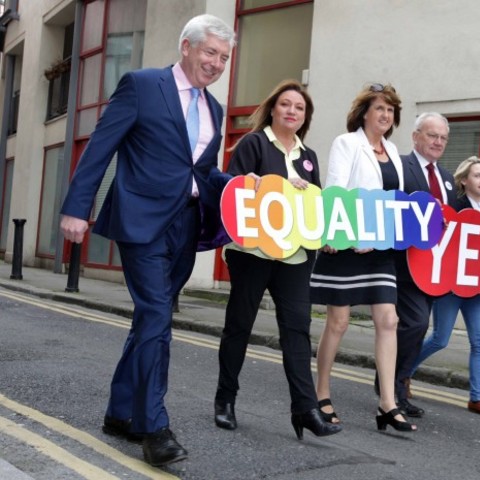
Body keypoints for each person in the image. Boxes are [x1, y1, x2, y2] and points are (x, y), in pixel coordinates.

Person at [59, 14, 235, 466]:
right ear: (186, 47)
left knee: (148, 322)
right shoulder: (142, 85)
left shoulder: (214, 109)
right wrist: (77, 207)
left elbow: (204, 172)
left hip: (185, 225)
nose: (216, 63)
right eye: (210, 52)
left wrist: (248, 187)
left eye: (223, 56)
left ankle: (120, 413)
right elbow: (101, 146)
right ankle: (154, 427)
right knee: (157, 315)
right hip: (141, 220)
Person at [213, 80, 341, 441]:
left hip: (296, 256)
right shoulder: (254, 143)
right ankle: (225, 400)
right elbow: (233, 186)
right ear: (272, 109)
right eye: (285, 104)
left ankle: (305, 409)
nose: (291, 111)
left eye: (299, 108)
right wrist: (250, 181)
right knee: (239, 325)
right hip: (253, 253)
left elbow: (314, 206)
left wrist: (323, 234)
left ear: (305, 117)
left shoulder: (309, 156)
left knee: (298, 329)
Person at [310, 83, 416, 432]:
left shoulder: (393, 150)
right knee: (338, 323)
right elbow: (337, 189)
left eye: (390, 110)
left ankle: (387, 402)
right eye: (380, 109)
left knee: (388, 320)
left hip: (380, 249)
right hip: (346, 246)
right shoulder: (347, 143)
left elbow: (394, 199)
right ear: (365, 113)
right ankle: (321, 393)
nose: (386, 115)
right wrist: (342, 234)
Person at [409, 156, 480, 418]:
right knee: (440, 339)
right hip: (451, 287)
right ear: (463, 180)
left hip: (476, 288)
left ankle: (477, 398)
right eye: (476, 175)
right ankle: (403, 374)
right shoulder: (454, 207)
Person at [391, 112, 458, 418]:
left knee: (418, 328)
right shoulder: (399, 167)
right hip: (403, 264)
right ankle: (395, 386)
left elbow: (456, 222)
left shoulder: (446, 178)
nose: (438, 142)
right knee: (415, 323)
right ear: (416, 136)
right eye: (433, 135)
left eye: (443, 137)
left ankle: (397, 382)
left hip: (433, 269)